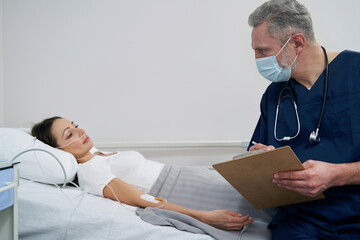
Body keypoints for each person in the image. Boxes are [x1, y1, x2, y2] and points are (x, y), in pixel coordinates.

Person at [31, 116, 256, 237]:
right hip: (184, 193)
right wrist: (202, 216)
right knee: (257, 217)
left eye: (76, 126)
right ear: (57, 152)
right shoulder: (89, 171)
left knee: (264, 200)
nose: (81, 132)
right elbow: (142, 199)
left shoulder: (96, 154)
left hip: (189, 179)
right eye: (70, 134)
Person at [247, 0, 360, 239]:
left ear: (297, 42)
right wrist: (260, 160)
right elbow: (257, 159)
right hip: (302, 222)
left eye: (263, 51)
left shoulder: (356, 72)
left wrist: (337, 174)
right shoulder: (275, 95)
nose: (257, 59)